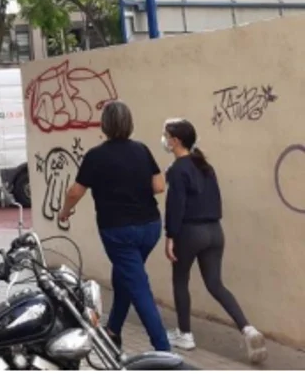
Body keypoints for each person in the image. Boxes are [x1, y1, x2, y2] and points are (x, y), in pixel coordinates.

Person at [57, 100, 170, 352]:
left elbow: (75, 191)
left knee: (138, 287)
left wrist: (65, 212)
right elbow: (159, 186)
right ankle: (113, 330)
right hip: (150, 227)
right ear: (130, 123)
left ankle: (164, 352)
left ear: (104, 125)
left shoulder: (96, 156)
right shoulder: (142, 150)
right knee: (125, 277)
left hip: (118, 232)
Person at [161, 118, 266, 363]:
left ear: (176, 141)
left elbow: (176, 206)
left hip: (190, 232)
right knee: (215, 284)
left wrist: (170, 236)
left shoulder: (178, 169)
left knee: (180, 280)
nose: (164, 140)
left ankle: (185, 334)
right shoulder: (205, 166)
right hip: (214, 232)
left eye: (166, 135)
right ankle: (247, 328)